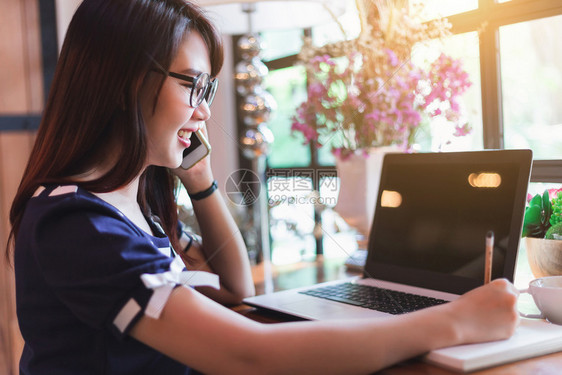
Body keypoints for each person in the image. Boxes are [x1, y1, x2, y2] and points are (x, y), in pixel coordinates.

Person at [7, 0, 520, 374]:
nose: (205, 111)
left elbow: (235, 289)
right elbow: (247, 355)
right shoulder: (75, 225)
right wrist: (453, 322)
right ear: (122, 81)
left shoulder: (128, 207)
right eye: (193, 85)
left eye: (208, 91)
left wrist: (201, 183)